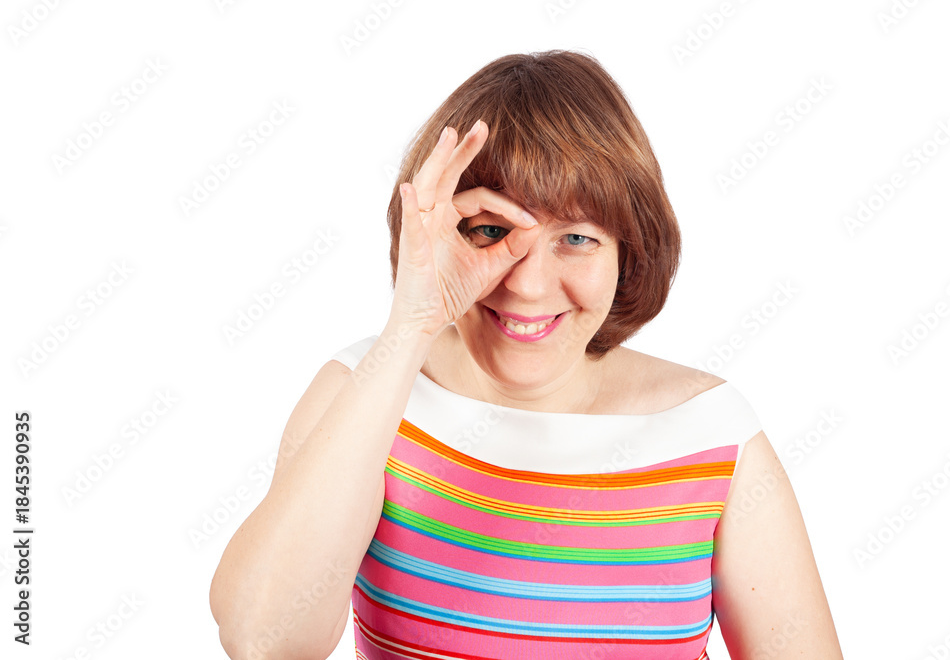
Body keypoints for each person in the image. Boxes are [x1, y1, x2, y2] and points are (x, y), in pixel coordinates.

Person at [209, 50, 844, 659]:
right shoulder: (365, 394)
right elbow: (265, 641)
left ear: (628, 251)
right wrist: (412, 324)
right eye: (492, 231)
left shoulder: (715, 437)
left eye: (577, 238)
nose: (528, 285)